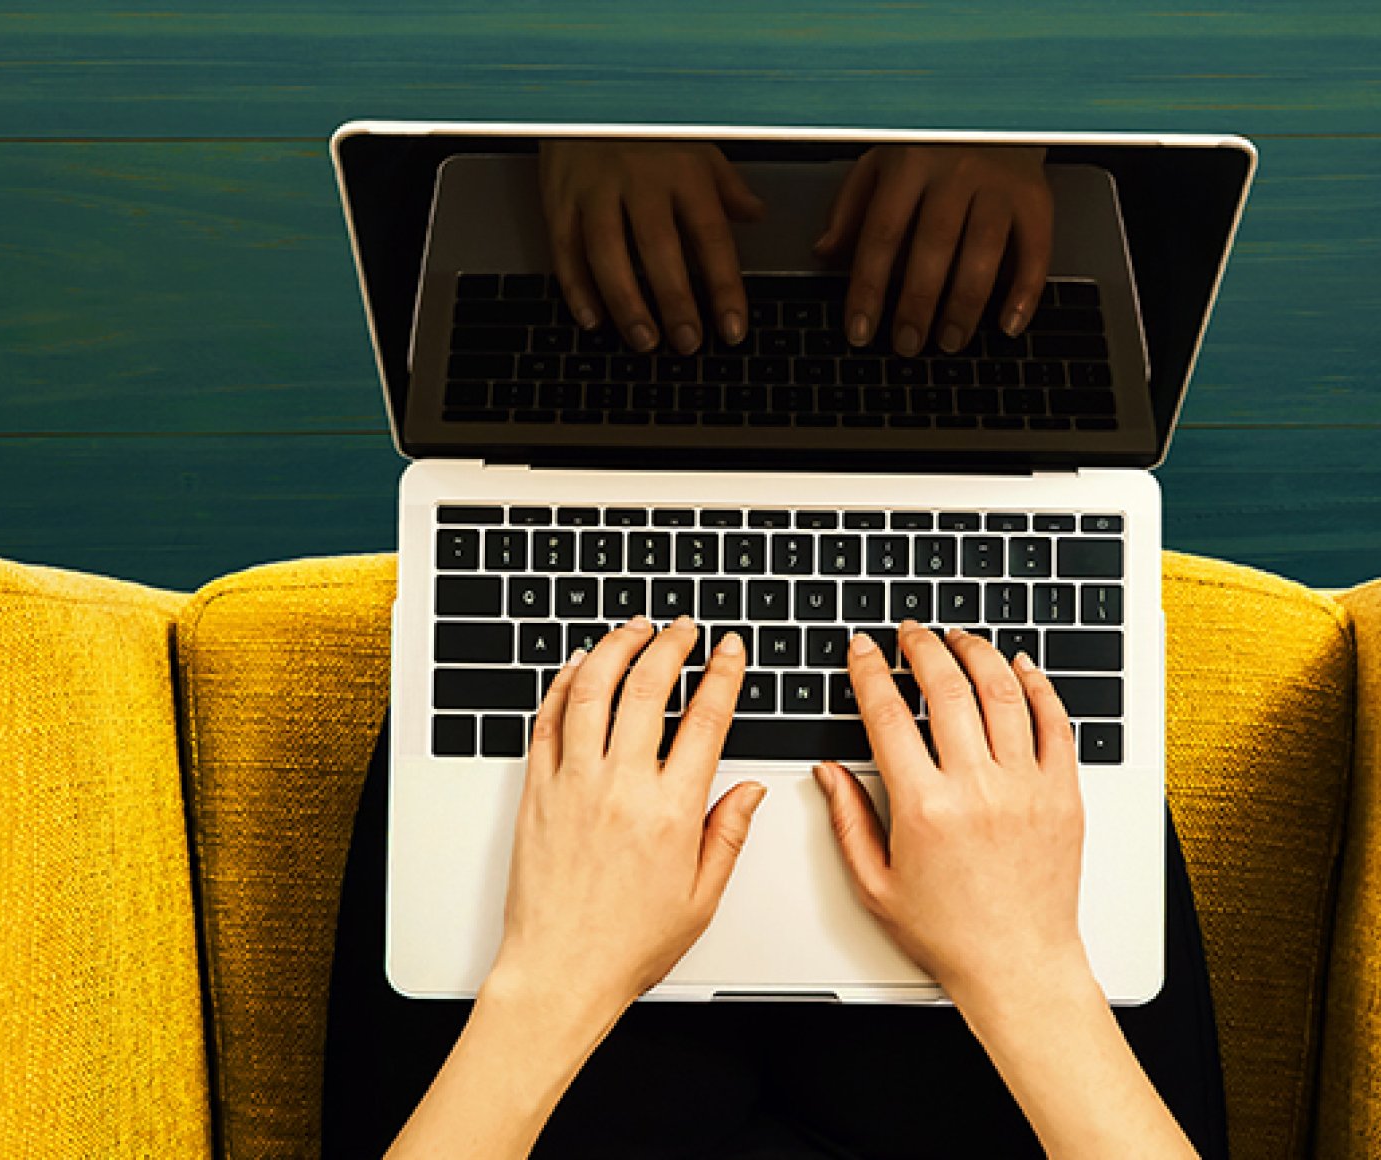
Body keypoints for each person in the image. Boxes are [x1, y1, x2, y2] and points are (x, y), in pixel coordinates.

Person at [321, 141, 1229, 1158]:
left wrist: (553, 973)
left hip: (548, 1045)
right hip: (1011, 1014)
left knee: (569, 715)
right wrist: (1026, 968)